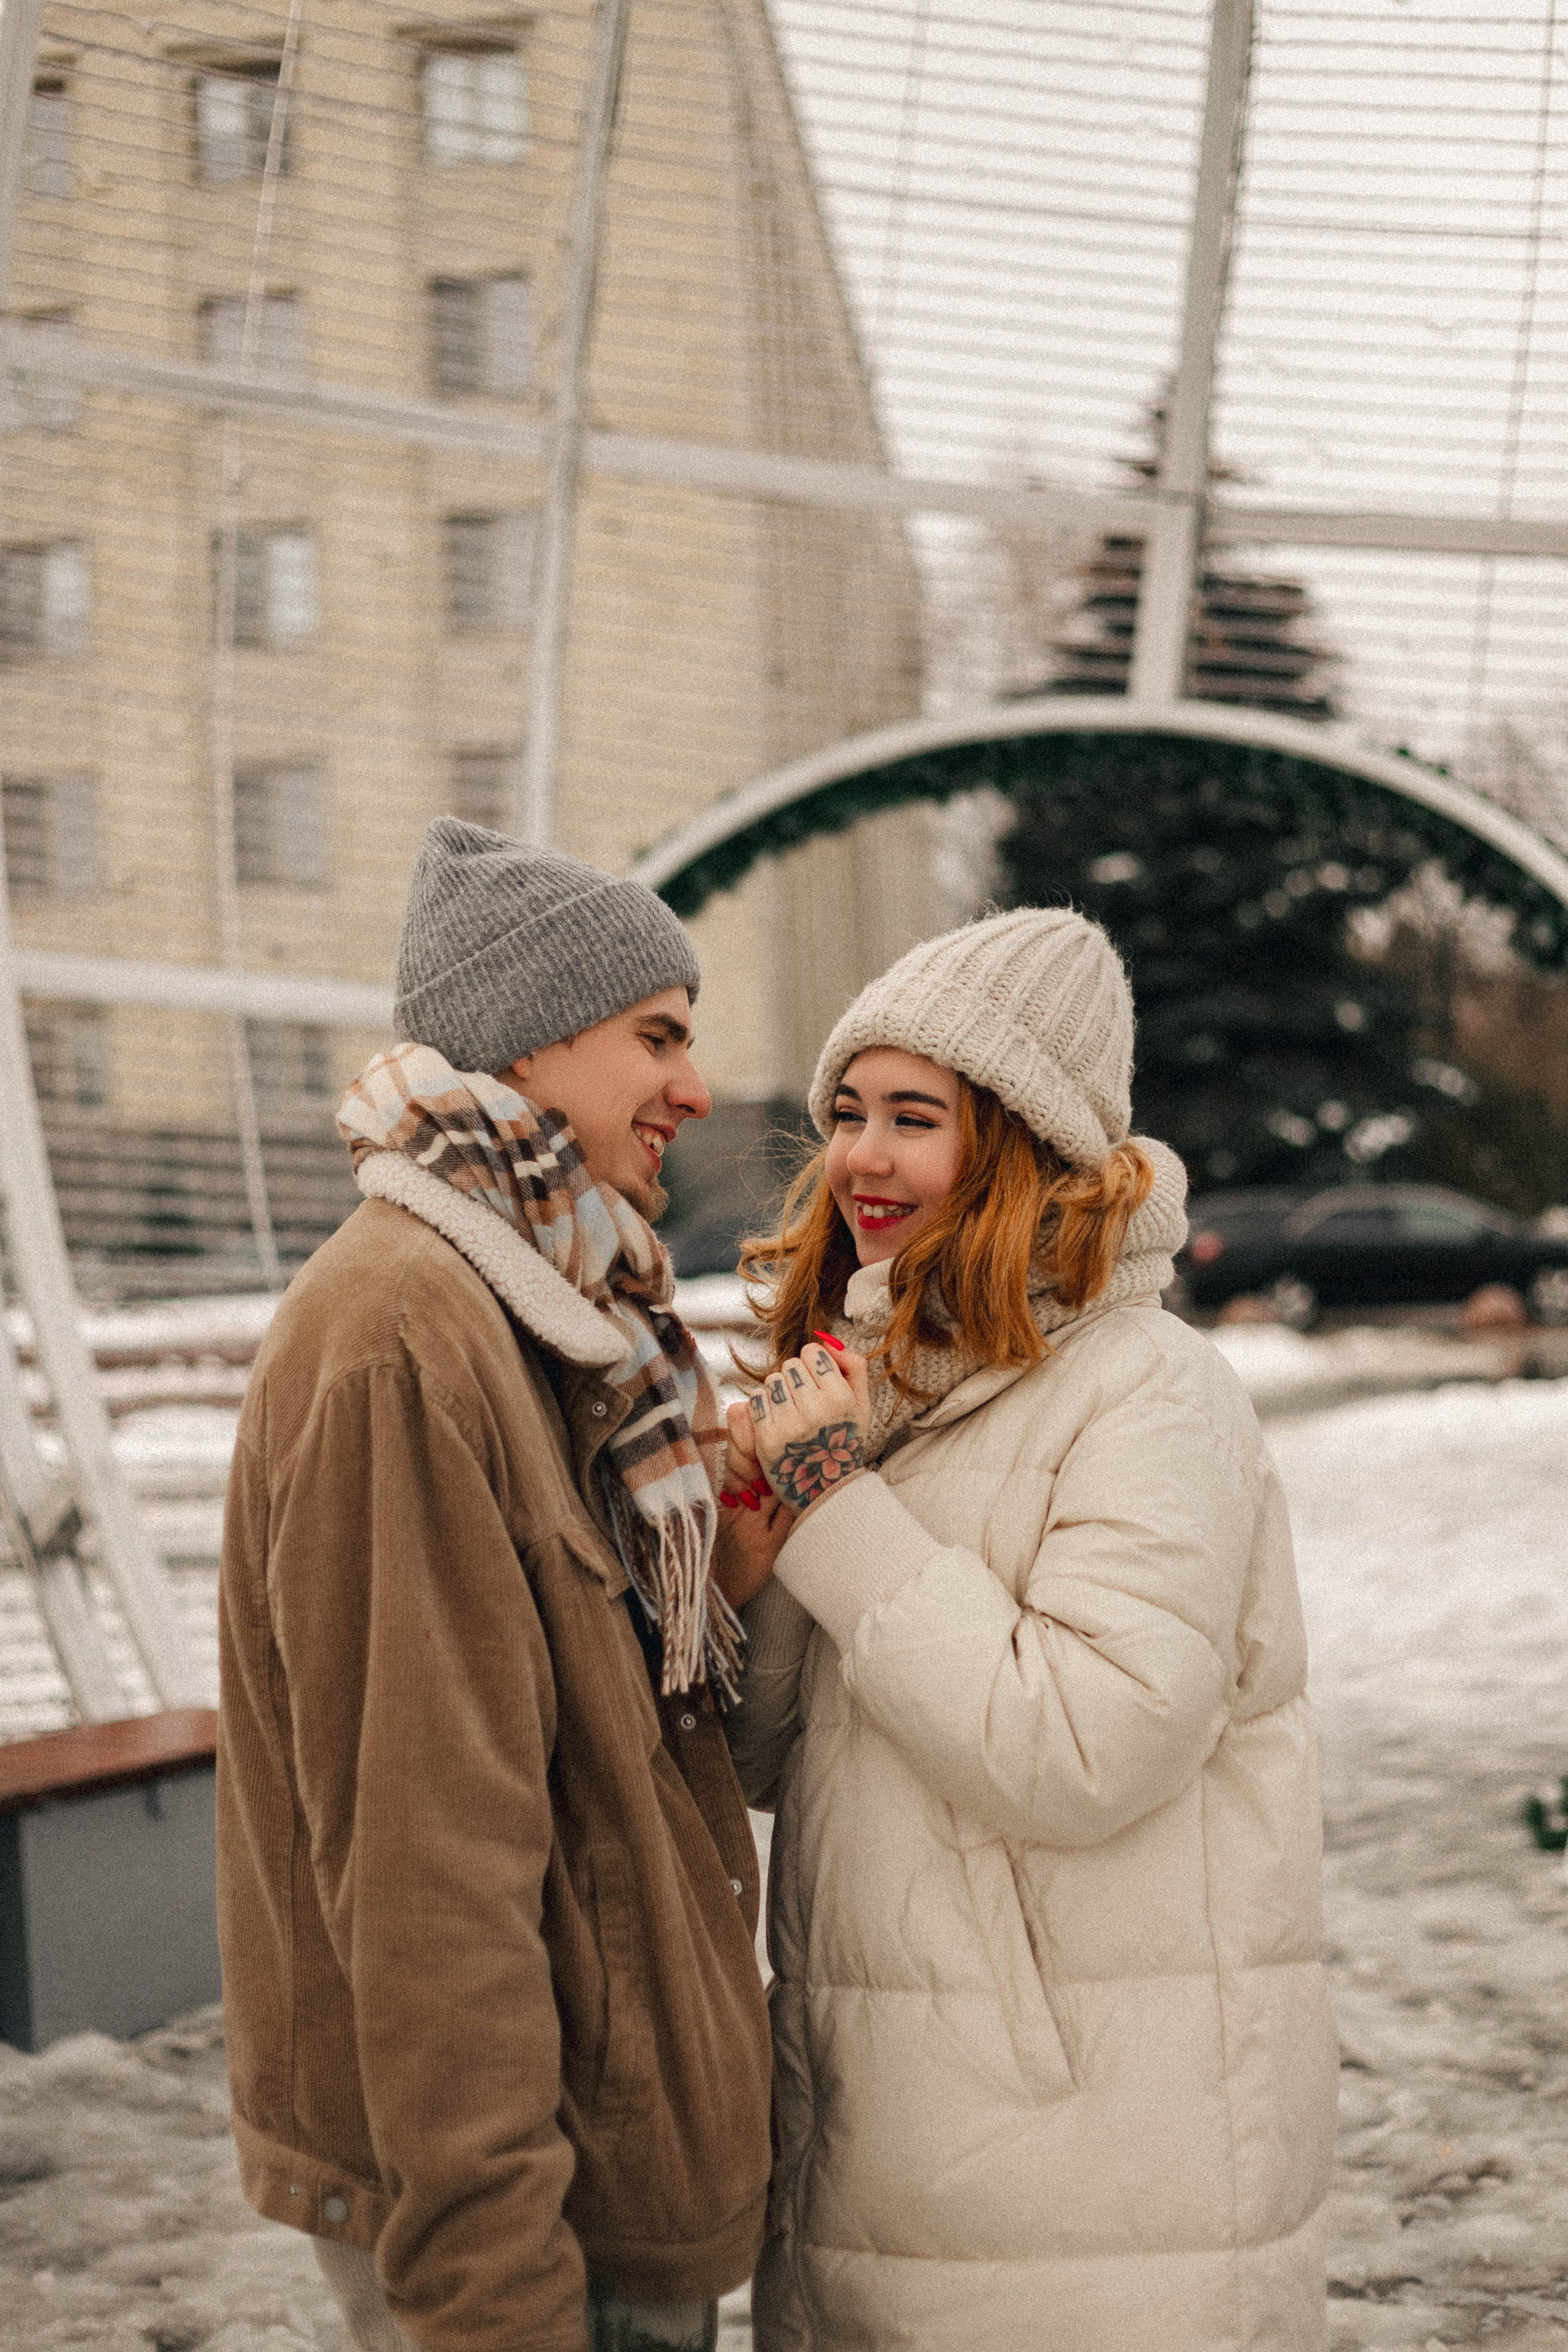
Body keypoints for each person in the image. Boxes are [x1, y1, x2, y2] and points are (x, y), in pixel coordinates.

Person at [720, 907, 1339, 2351]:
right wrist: (750, 1558)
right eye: (847, 1114)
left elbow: (1083, 1747)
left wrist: (831, 1510)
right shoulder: (889, 1380)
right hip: (887, 2134)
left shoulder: (1147, 1393)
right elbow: (781, 1762)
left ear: (1020, 1144)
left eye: (913, 1118)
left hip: (1097, 2179)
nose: (860, 1158)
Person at [217, 818, 785, 2352]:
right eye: (655, 1037)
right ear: (527, 1050)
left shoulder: (554, 1310)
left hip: (598, 2152)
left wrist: (731, 1555)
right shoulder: (407, 1332)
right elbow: (425, 1866)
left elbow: (599, 1747)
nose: (696, 1086)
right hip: (532, 2220)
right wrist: (489, 2292)